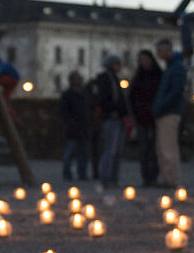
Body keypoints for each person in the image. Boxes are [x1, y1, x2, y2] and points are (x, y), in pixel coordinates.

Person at [152, 38, 187, 189]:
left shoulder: (176, 67)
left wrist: (160, 106)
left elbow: (175, 91)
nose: (158, 54)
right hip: (165, 111)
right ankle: (168, 179)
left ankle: (172, 180)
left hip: (169, 112)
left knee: (168, 147)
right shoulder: (171, 67)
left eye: (160, 50)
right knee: (163, 147)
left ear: (168, 50)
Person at [129, 49, 162, 187]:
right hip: (141, 117)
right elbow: (131, 96)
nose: (143, 62)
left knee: (155, 149)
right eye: (140, 59)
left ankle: (154, 176)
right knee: (143, 149)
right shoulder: (138, 77)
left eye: (145, 58)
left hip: (156, 117)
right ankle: (146, 177)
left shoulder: (159, 75)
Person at [95, 53, 129, 188]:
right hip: (112, 117)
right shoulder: (106, 79)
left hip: (118, 118)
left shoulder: (114, 79)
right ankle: (106, 178)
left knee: (116, 150)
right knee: (110, 150)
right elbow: (105, 100)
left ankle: (113, 179)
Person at [58, 71, 90, 181]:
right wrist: (70, 122)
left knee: (83, 154)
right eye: (77, 78)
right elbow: (63, 111)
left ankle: (82, 174)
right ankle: (67, 175)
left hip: (83, 127)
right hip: (72, 128)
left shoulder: (85, 93)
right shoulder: (67, 95)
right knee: (68, 153)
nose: (80, 80)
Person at [0, 56, 21, 125]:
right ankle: (14, 118)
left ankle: (11, 117)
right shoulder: (2, 63)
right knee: (5, 98)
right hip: (15, 79)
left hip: (11, 78)